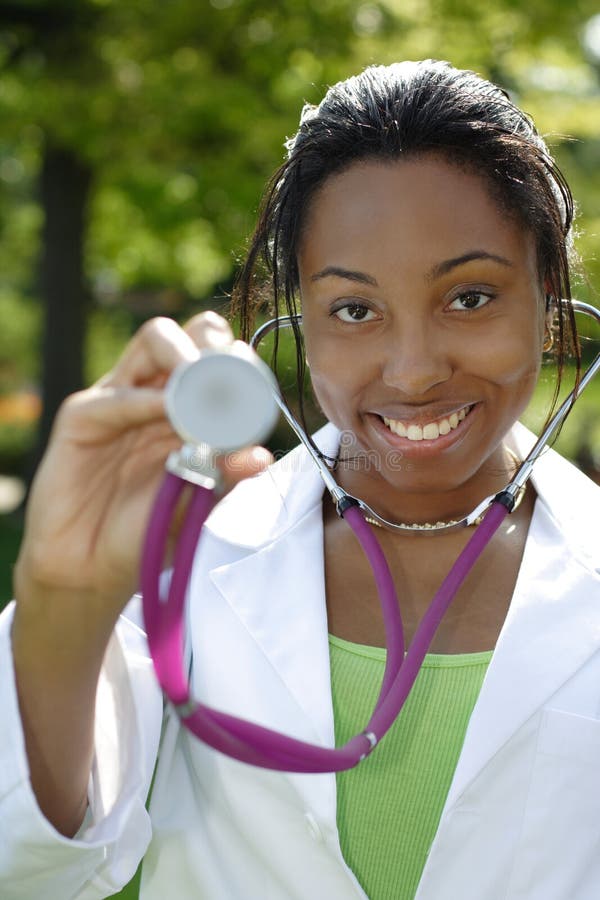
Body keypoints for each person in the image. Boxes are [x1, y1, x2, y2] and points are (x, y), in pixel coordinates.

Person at [1, 58, 599, 900]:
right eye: (354, 309)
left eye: (469, 297)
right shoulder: (181, 553)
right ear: (301, 326)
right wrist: (63, 594)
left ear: (548, 299)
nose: (416, 369)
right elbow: (25, 865)